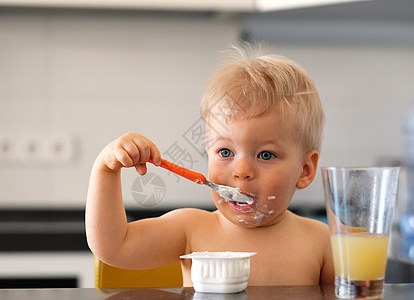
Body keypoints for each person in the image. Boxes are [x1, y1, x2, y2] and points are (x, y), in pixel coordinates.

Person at [85, 42, 335, 286]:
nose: (242, 172)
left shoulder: (322, 242)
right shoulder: (190, 230)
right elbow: (113, 247)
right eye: (225, 151)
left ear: (305, 170)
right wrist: (106, 170)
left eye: (265, 155)